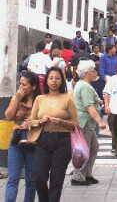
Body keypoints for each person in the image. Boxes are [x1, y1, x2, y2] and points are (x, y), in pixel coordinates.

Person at [30, 67, 78, 202]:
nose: (54, 81)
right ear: (46, 81)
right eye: (51, 78)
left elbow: (75, 124)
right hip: (43, 139)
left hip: (62, 141)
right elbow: (31, 122)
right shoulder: (39, 99)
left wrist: (61, 122)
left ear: (62, 81)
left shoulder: (68, 98)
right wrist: (40, 121)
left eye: (57, 78)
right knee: (39, 177)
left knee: (56, 180)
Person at [5, 71, 40, 202]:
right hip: (17, 138)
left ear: (33, 86)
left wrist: (31, 123)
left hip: (33, 139)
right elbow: (8, 116)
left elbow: (44, 119)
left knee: (31, 179)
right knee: (13, 178)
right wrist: (16, 98)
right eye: (20, 84)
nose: (21, 87)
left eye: (24, 85)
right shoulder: (18, 97)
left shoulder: (40, 100)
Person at [71, 61, 106, 186]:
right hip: (84, 123)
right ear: (87, 73)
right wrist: (100, 121)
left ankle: (87, 174)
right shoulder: (84, 86)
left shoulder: (83, 85)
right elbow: (89, 107)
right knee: (83, 150)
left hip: (86, 123)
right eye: (93, 70)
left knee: (93, 147)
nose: (95, 72)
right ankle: (78, 175)